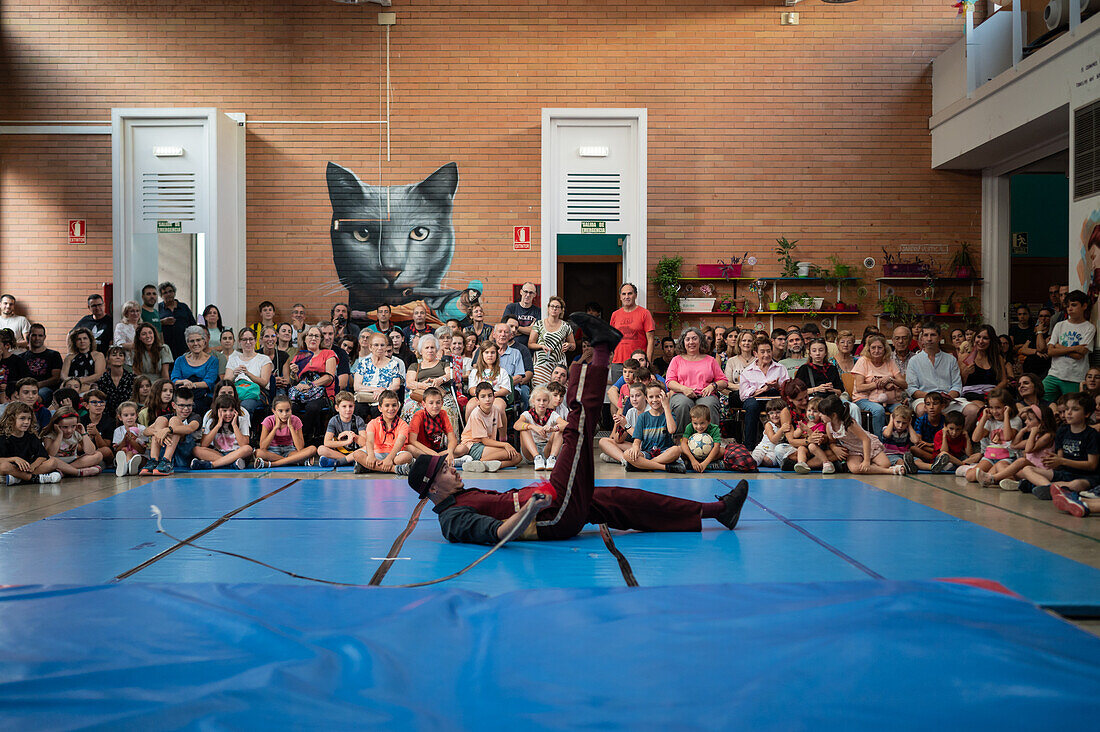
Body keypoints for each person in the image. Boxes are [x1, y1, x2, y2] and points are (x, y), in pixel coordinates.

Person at [406, 313, 749, 545]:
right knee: (577, 425)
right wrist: (530, 508)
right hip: (552, 516)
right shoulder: (452, 520)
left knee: (625, 501)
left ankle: (719, 512)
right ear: (432, 485)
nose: (453, 466)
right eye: (447, 469)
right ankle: (602, 347)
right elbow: (498, 533)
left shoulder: (458, 496)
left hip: (550, 504)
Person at [1005, 392, 1099, 500]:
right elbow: (1059, 459)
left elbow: (1092, 465)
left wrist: (1061, 461)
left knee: (1077, 485)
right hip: (1064, 473)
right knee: (1027, 469)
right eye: (1067, 409)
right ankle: (1049, 487)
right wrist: (1053, 462)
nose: (1068, 413)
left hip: (1085, 476)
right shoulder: (1062, 431)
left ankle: (1034, 485)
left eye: (1075, 409)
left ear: (1086, 414)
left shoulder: (1092, 435)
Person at [818, 394, 904, 476]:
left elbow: (866, 439)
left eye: (822, 413)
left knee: (885, 464)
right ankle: (890, 471)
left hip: (867, 446)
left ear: (833, 415)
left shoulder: (849, 424)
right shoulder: (829, 426)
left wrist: (866, 461)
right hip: (853, 450)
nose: (819, 415)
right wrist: (834, 448)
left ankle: (875, 465)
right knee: (855, 469)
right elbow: (831, 441)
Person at [664, 327, 727, 435]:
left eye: (694, 338)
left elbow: (723, 381)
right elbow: (670, 381)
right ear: (683, 342)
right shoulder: (676, 360)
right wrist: (683, 389)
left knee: (709, 405)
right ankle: (681, 439)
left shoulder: (710, 360)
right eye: (687, 339)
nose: (691, 342)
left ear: (700, 340)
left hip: (706, 394)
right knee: (683, 404)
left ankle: (711, 439)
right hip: (681, 394)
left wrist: (713, 386)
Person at [1041, 290, 1095, 401]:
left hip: (1075, 377)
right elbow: (1050, 351)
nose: (1070, 308)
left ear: (1084, 306)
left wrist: (1059, 347)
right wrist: (1074, 348)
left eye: (1074, 305)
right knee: (1040, 399)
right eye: (1068, 305)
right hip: (1054, 374)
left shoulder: (1089, 328)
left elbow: (1080, 355)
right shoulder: (1059, 325)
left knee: (1073, 406)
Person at [288, 326, 339, 443]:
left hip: (323, 394)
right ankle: (292, 438)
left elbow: (329, 377)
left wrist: (310, 385)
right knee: (291, 407)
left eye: (317, 336)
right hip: (302, 394)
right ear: (305, 339)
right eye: (310, 335)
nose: (313, 338)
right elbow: (294, 382)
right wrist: (294, 373)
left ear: (320, 339)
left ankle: (305, 438)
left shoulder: (328, 353)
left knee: (312, 407)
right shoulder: (298, 357)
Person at [850, 334, 906, 438]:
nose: (876, 351)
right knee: (878, 410)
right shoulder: (863, 361)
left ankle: (899, 443)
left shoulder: (890, 362)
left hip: (889, 400)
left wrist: (890, 379)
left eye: (880, 347)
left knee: (901, 410)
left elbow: (904, 384)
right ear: (868, 349)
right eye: (873, 348)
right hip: (863, 398)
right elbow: (859, 387)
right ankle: (880, 443)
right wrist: (878, 383)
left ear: (885, 349)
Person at [460, 381, 523, 472]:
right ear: (477, 400)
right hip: (473, 445)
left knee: (518, 457)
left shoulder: (495, 410)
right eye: (483, 396)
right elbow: (484, 440)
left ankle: (492, 465)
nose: (487, 399)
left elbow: (499, 431)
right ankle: (479, 462)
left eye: (490, 396)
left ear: (494, 397)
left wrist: (504, 444)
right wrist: (505, 445)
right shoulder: (476, 414)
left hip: (486, 444)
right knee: (509, 454)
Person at [963, 388, 1021, 485]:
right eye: (991, 407)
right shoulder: (990, 421)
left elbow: (1007, 437)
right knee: (970, 476)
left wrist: (1006, 415)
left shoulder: (1015, 420)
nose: (994, 411)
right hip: (990, 457)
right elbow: (975, 438)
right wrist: (984, 418)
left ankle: (1008, 480)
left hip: (1007, 458)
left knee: (1001, 469)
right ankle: (992, 475)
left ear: (1007, 407)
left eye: (998, 407)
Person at [139, 387, 200, 475]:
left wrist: (168, 430)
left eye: (189, 405)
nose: (186, 409)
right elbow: (145, 431)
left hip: (183, 455)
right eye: (182, 405)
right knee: (160, 420)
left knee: (174, 421)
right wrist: (159, 432)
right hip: (164, 452)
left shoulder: (195, 417)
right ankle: (154, 460)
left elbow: (190, 428)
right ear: (174, 405)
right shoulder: (167, 417)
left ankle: (167, 461)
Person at [906, 322, 963, 417]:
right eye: (926, 335)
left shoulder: (951, 359)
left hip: (948, 400)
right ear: (922, 338)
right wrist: (934, 399)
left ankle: (956, 432)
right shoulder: (914, 361)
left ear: (940, 338)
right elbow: (911, 389)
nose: (929, 339)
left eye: (933, 335)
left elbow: (957, 386)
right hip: (924, 399)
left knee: (972, 410)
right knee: (922, 410)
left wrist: (947, 398)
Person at [739, 339, 788, 448]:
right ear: (755, 353)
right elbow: (743, 396)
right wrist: (763, 389)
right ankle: (749, 447)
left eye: (769, 351)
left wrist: (777, 386)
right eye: (762, 352)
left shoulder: (780, 368)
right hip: (755, 400)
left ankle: (786, 442)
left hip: (775, 398)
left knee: (785, 404)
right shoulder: (747, 371)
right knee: (751, 406)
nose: (766, 355)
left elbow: (788, 391)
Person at [959, 324, 1009, 428]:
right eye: (978, 337)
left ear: (991, 341)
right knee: (984, 409)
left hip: (993, 393)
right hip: (972, 394)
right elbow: (959, 383)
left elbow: (1004, 381)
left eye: (985, 338)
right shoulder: (965, 357)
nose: (981, 341)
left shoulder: (997, 358)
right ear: (974, 338)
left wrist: (992, 392)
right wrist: (965, 373)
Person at [352, 390, 413, 475]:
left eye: (394, 405)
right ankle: (395, 469)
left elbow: (399, 444)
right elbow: (369, 441)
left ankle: (369, 467)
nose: (391, 409)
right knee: (357, 454)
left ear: (398, 406)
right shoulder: (373, 423)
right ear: (380, 408)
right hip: (377, 454)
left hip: (395, 454)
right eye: (387, 405)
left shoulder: (403, 424)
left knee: (407, 457)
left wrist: (389, 459)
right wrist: (371, 455)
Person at [0, 402, 63, 484]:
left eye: (29, 419)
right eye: (22, 418)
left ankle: (19, 479)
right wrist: (15, 459)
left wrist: (33, 466)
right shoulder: (2, 437)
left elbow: (43, 455)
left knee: (53, 462)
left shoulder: (30, 435)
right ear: (11, 419)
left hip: (27, 469)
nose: (26, 422)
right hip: (11, 468)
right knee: (4, 466)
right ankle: (34, 478)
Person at [189, 394, 254, 470]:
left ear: (235, 411)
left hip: (237, 453)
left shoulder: (242, 420)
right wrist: (218, 425)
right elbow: (204, 444)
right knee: (196, 450)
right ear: (218, 411)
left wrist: (234, 425)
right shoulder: (211, 422)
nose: (228, 414)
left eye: (231, 410)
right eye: (224, 411)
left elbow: (244, 444)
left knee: (248, 449)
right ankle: (231, 464)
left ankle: (212, 465)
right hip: (218, 453)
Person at [407, 386, 468, 466]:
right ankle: (441, 460)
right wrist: (433, 454)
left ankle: (434, 460)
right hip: (423, 450)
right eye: (431, 403)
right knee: (409, 448)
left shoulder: (443, 414)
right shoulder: (418, 415)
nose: (435, 406)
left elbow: (452, 438)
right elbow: (412, 440)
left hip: (437, 450)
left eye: (438, 402)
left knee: (463, 448)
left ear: (442, 403)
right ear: (424, 404)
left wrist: (449, 452)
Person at [608, 283, 655, 385]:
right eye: (624, 294)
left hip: (637, 363)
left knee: (638, 394)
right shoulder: (615, 315)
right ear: (620, 296)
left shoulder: (644, 313)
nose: (626, 297)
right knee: (618, 394)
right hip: (618, 362)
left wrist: (648, 362)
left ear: (635, 295)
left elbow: (651, 340)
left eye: (630, 293)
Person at [351, 331, 404, 420]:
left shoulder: (393, 364)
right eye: (376, 345)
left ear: (386, 347)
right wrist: (377, 389)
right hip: (365, 397)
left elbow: (396, 384)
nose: (379, 348)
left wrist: (383, 391)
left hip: (384, 398)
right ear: (370, 347)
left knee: (379, 410)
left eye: (382, 345)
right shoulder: (363, 363)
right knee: (359, 409)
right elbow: (356, 386)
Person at [254, 395, 317, 469]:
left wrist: (290, 426)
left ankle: (273, 464)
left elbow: (300, 448)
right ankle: (295, 461)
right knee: (258, 453)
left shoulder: (296, 420)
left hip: (290, 451)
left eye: (287, 410)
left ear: (291, 410)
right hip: (273, 451)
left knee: (312, 449)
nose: (284, 414)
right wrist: (275, 427)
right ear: (274, 411)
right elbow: (263, 446)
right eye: (280, 411)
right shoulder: (268, 420)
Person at [226, 327, 273, 422]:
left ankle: (244, 433)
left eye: (251, 339)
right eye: (244, 339)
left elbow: (264, 382)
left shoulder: (264, 359)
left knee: (245, 406)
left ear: (255, 341)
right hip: (237, 392)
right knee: (223, 404)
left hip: (256, 393)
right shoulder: (233, 358)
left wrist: (248, 374)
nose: (248, 342)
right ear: (239, 341)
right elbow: (226, 382)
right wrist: (234, 375)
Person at [171, 326, 219, 416]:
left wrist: (193, 385)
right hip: (183, 396)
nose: (195, 343)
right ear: (187, 343)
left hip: (204, 397)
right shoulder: (180, 360)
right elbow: (174, 379)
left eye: (198, 340)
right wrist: (184, 381)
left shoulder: (213, 360)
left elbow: (209, 382)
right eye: (192, 341)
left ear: (204, 341)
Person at [41, 408, 103, 478]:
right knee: (51, 460)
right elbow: (51, 454)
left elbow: (90, 451)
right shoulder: (50, 436)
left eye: (73, 426)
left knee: (98, 455)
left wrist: (83, 433)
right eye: (65, 427)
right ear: (56, 425)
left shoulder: (76, 433)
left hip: (73, 462)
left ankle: (66, 471)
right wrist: (60, 435)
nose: (69, 430)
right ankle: (77, 471)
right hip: (56, 463)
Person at [528, 296, 575, 388]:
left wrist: (569, 345)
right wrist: (541, 346)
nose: (554, 309)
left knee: (559, 390)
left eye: (557, 307)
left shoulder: (566, 326)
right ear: (548, 308)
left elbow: (573, 345)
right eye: (552, 306)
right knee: (541, 390)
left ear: (561, 310)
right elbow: (530, 344)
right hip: (542, 363)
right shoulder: (539, 324)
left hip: (559, 364)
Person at [514, 385, 564, 471]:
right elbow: (516, 425)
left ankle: (552, 458)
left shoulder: (553, 414)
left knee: (559, 430)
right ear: (533, 401)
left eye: (544, 400)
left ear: (548, 402)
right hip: (531, 451)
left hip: (547, 449)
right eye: (538, 400)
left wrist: (553, 429)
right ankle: (537, 458)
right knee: (524, 429)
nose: (541, 403)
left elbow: (566, 425)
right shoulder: (527, 414)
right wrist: (533, 427)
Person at [317, 392, 366, 468]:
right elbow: (327, 442)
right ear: (337, 408)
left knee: (368, 448)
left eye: (350, 406)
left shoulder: (358, 420)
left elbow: (365, 443)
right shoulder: (334, 421)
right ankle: (350, 461)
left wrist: (353, 435)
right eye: (344, 406)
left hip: (356, 452)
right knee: (321, 449)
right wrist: (346, 442)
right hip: (339, 453)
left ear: (354, 407)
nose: (348, 409)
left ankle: (341, 462)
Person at [491, 323, 532, 409]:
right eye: (500, 332)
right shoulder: (489, 352)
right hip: (490, 389)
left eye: (506, 332)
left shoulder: (516, 353)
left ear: (510, 336)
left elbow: (519, 377)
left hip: (511, 390)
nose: (503, 334)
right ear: (494, 334)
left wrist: (502, 386)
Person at [20, 323, 62, 403]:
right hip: (24, 388)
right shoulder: (20, 357)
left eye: (40, 336)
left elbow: (56, 378)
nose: (37, 338)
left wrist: (37, 385)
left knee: (35, 396)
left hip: (45, 389)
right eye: (34, 335)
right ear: (28, 336)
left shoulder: (54, 355)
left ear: (44, 337)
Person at [157, 281, 196, 359]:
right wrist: (162, 322)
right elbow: (152, 325)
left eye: (170, 291)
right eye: (165, 293)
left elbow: (193, 325)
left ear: (174, 293)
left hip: (184, 347)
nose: (168, 294)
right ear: (161, 296)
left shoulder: (184, 307)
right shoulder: (158, 308)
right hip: (166, 348)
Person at [95, 346, 135, 421]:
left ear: (124, 359)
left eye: (121, 355)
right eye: (114, 355)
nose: (118, 357)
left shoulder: (132, 378)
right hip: (107, 417)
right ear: (108, 359)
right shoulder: (103, 379)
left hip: (128, 417)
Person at [59, 328, 105, 393]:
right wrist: (73, 384)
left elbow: (98, 375)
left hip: (91, 387)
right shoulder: (69, 357)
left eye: (85, 338)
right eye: (79, 339)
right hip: (72, 387)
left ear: (90, 341)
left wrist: (79, 381)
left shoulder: (98, 355)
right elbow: (63, 375)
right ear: (75, 342)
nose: (82, 341)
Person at [111, 401, 147, 477]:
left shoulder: (142, 429)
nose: (129, 417)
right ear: (120, 417)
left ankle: (128, 466)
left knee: (139, 457)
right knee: (124, 454)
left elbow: (142, 450)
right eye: (126, 415)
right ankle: (127, 466)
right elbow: (117, 450)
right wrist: (125, 440)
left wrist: (131, 441)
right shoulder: (118, 431)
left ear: (136, 415)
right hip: (123, 454)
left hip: (139, 456)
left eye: (132, 414)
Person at [259, 326, 292, 402]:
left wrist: (278, 382)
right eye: (267, 336)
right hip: (261, 389)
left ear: (276, 338)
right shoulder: (256, 355)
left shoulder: (284, 356)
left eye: (273, 336)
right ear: (261, 340)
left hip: (279, 389)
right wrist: (272, 381)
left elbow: (286, 380)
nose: (270, 339)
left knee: (280, 399)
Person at [112, 300, 141, 365]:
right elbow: (120, 345)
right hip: (128, 362)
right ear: (126, 313)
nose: (135, 313)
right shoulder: (121, 326)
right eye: (132, 311)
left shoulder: (142, 326)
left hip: (142, 362)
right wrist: (141, 345)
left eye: (137, 311)